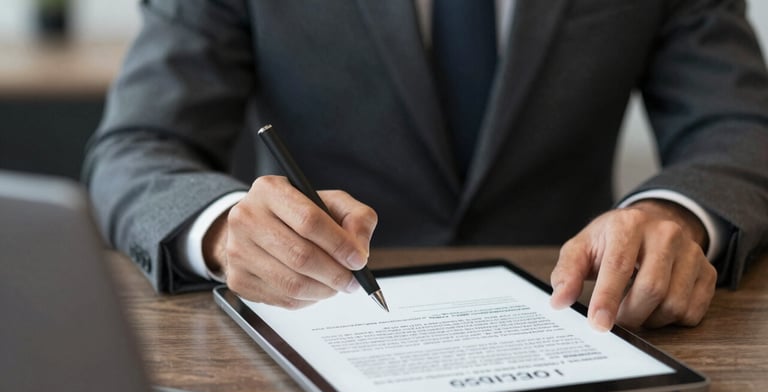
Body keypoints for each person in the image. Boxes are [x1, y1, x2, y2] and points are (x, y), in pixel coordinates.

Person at [83, 0, 768, 332]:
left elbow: (738, 124)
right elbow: (135, 147)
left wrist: (675, 212)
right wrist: (223, 229)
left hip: (584, 324)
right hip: (318, 338)